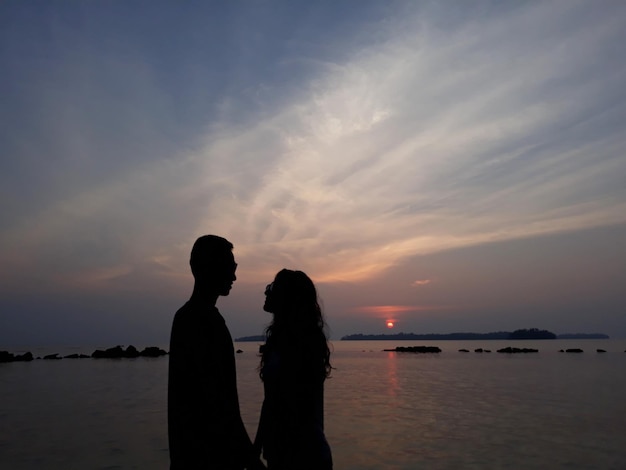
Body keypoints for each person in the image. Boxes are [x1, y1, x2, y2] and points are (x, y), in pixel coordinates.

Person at [168, 235, 264, 469]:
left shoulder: (187, 318)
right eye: (229, 268)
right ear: (207, 268)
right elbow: (220, 403)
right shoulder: (203, 321)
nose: (234, 276)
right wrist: (250, 459)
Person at [254, 269, 333, 470]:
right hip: (283, 453)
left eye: (273, 287)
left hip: (302, 456)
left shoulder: (300, 346)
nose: (266, 292)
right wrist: (256, 449)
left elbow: (286, 403)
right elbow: (270, 400)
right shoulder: (281, 342)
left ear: (287, 297)